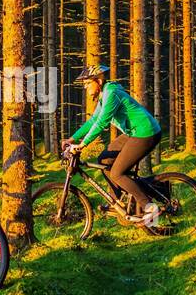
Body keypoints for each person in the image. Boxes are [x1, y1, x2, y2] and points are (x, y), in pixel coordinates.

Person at [61, 64, 163, 223]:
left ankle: (149, 206)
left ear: (99, 81)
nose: (86, 88)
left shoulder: (111, 93)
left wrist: (83, 144)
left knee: (117, 173)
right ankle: (119, 202)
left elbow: (102, 123)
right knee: (104, 160)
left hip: (146, 133)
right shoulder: (104, 95)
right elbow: (93, 120)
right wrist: (72, 139)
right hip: (133, 133)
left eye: (88, 83)